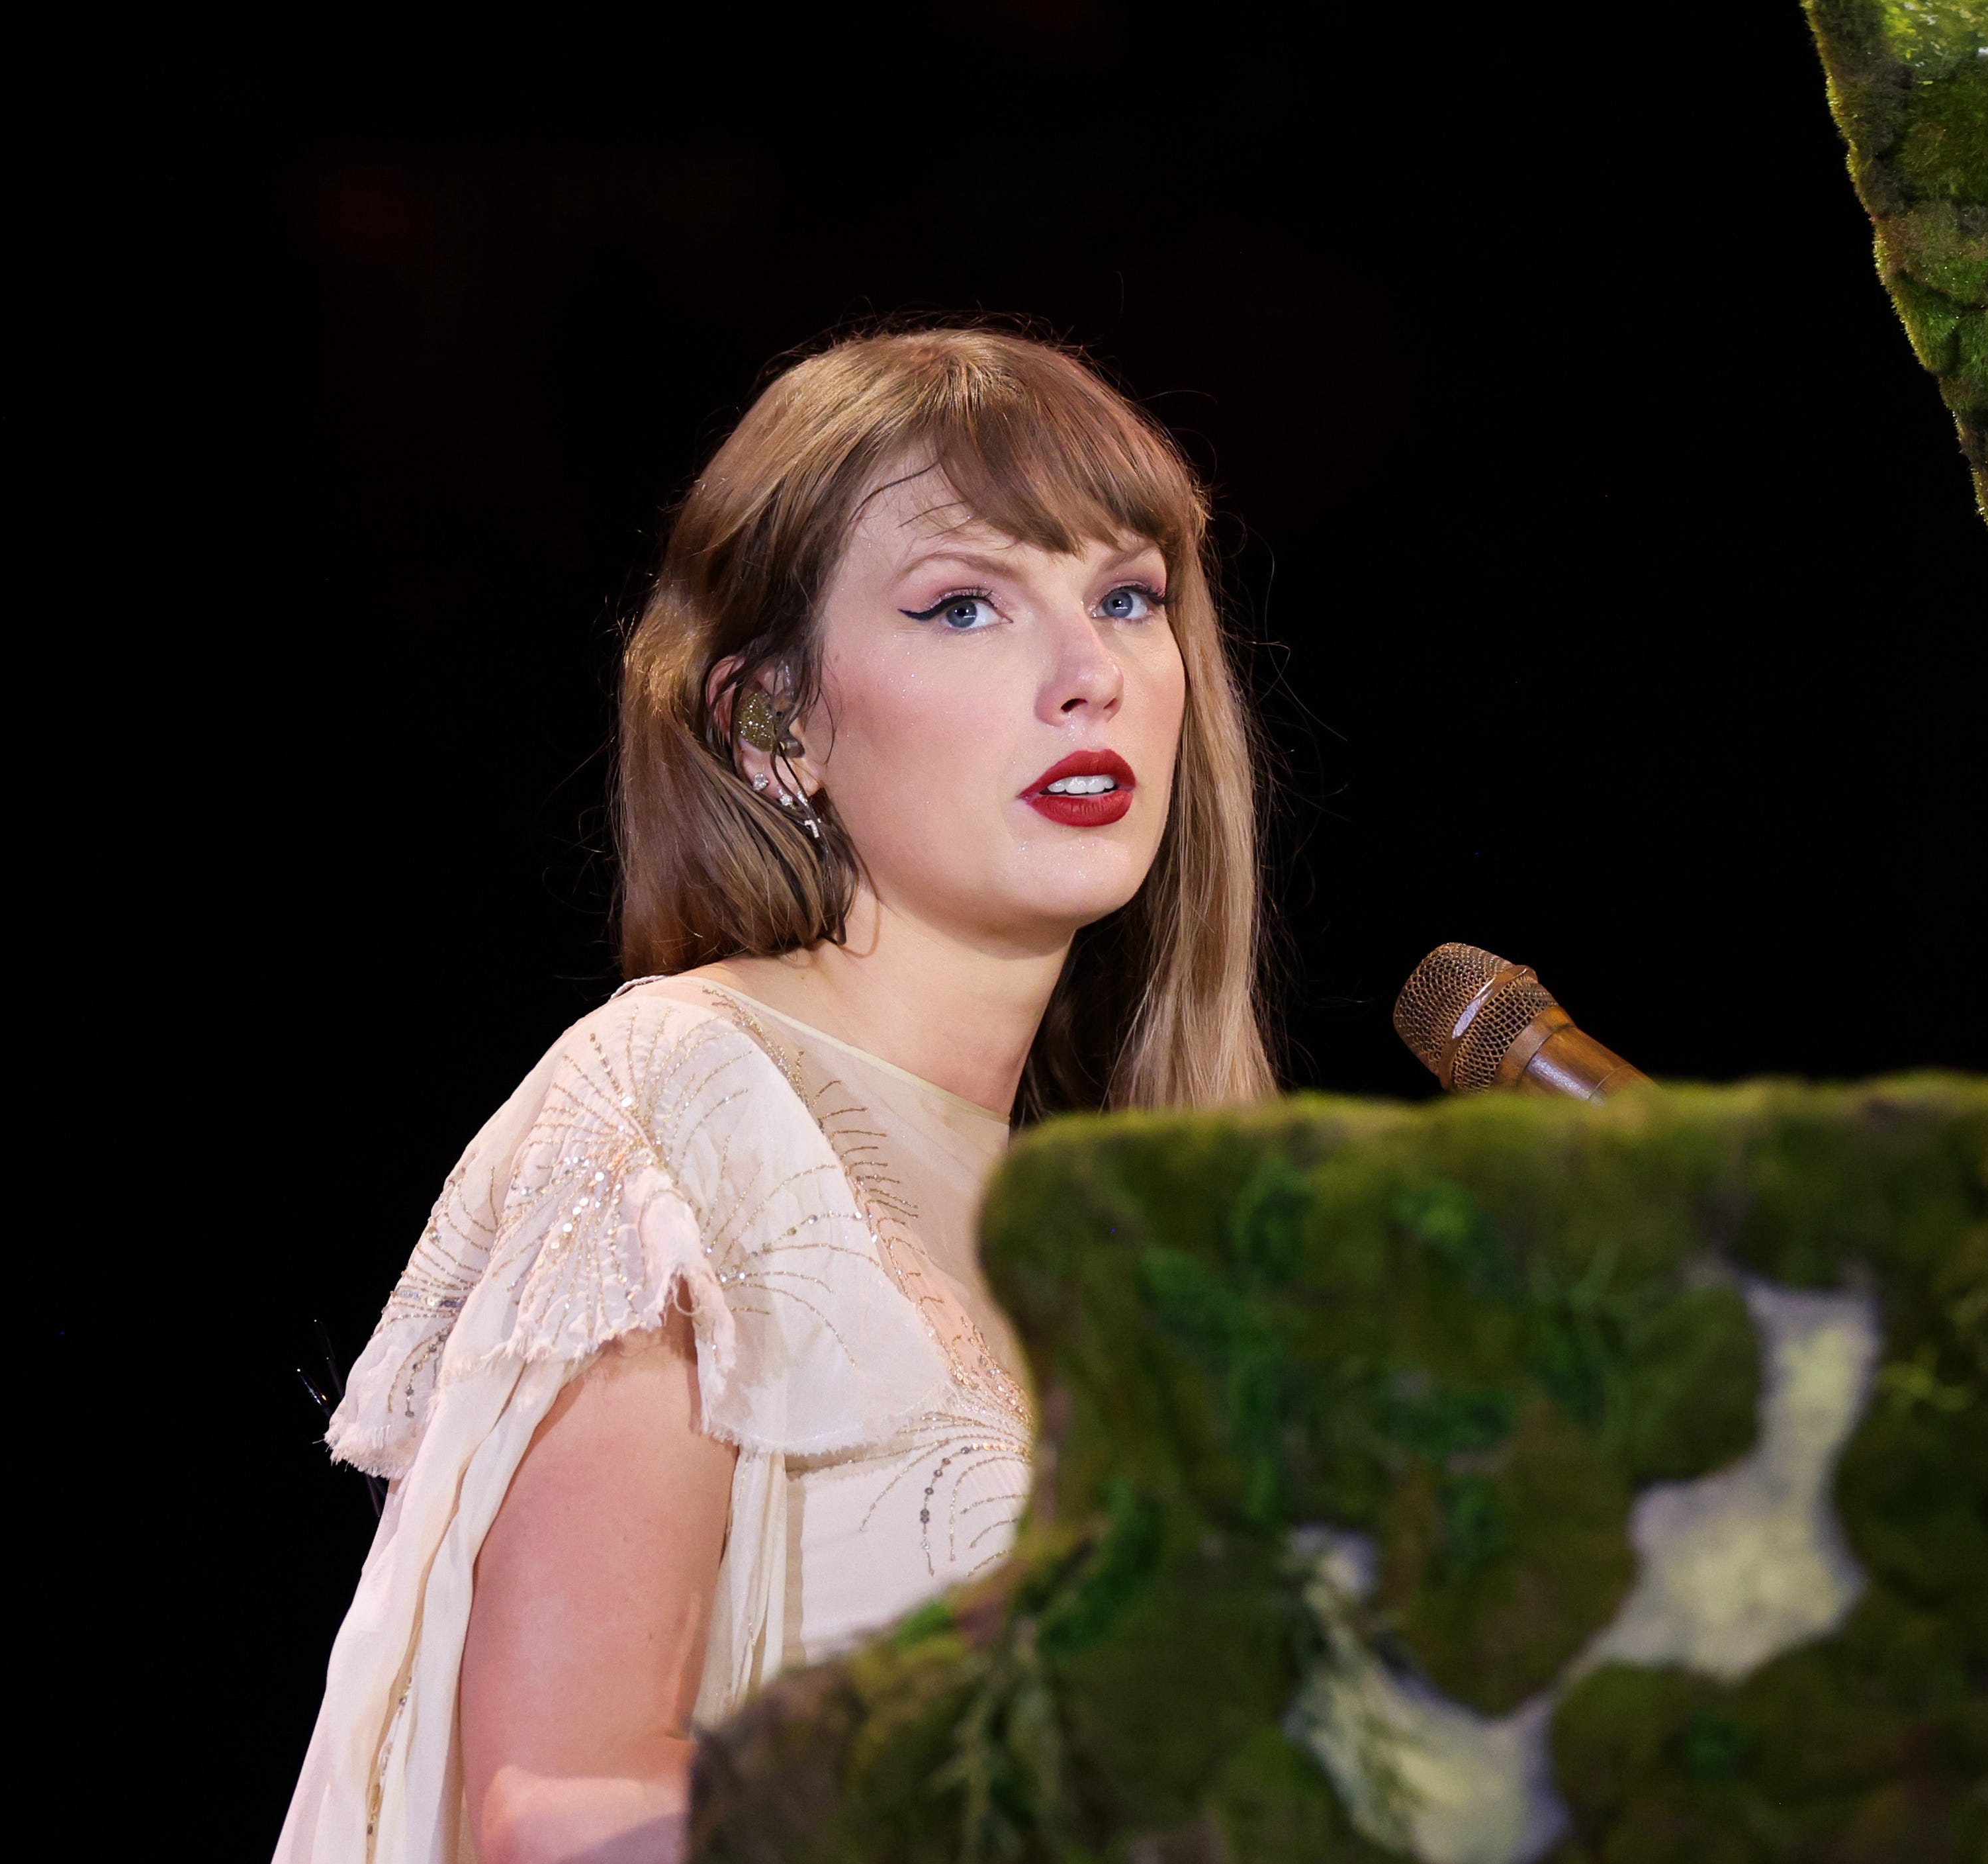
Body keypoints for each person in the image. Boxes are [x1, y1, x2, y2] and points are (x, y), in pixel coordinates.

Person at [277, 328, 1276, 1864]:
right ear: (772, 724)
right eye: (965, 606)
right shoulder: (686, 1102)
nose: (1090, 676)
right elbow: (555, 1813)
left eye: (1128, 597)